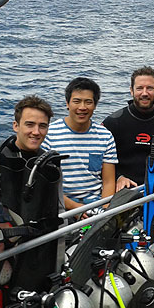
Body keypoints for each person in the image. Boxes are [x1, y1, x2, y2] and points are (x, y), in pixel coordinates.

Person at [43, 77, 118, 211]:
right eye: (76, 101)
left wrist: (104, 212)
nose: (82, 107)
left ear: (95, 105)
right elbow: (47, 185)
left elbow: (108, 182)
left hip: (95, 203)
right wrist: (77, 209)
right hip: (60, 203)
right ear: (67, 103)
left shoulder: (105, 136)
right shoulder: (49, 134)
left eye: (88, 102)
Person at [102, 66, 154, 190]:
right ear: (131, 90)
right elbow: (100, 162)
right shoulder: (113, 123)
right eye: (139, 88)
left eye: (150, 88)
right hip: (123, 189)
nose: (144, 93)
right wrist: (118, 178)